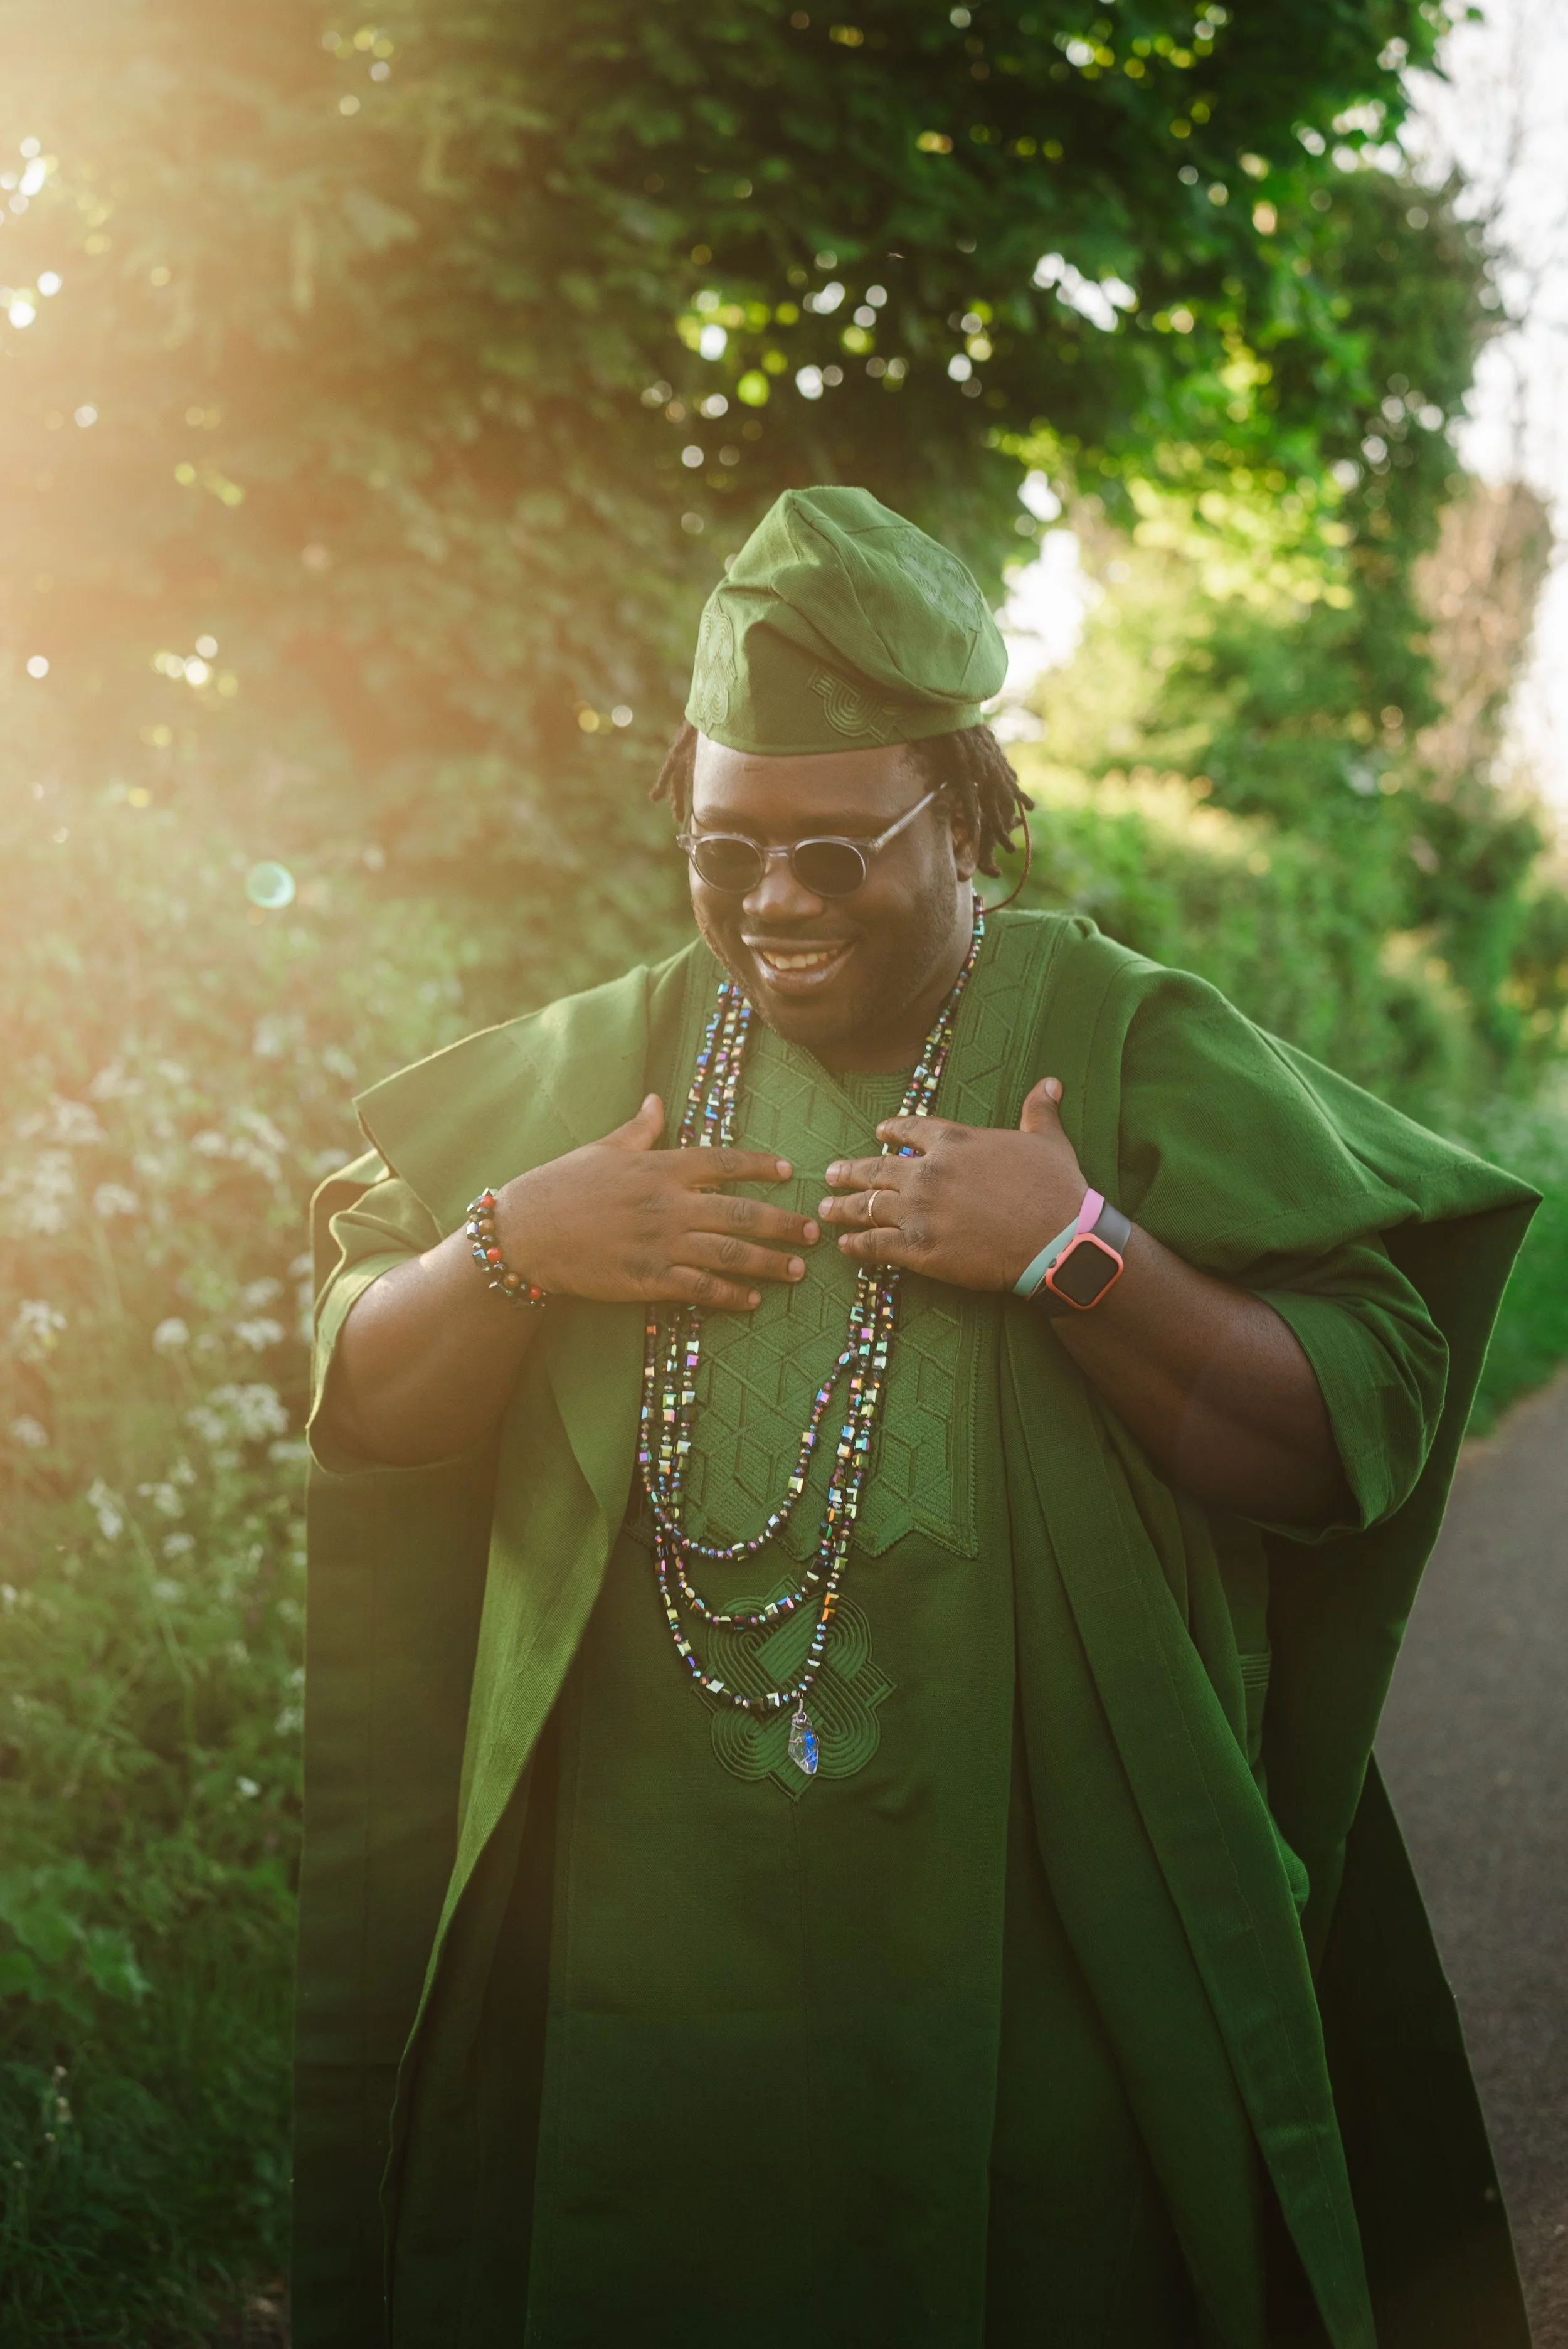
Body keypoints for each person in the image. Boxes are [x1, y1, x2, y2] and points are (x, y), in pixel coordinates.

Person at [294, 487, 1537, 2349]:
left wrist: (1081, 1254)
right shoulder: (613, 1060)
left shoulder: (1117, 1042)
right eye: (725, 852)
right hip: (629, 2001)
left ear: (963, 810)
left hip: (1037, 1973)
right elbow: (354, 1404)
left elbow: (1350, 1421)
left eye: (832, 849)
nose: (774, 905)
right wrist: (507, 1247)